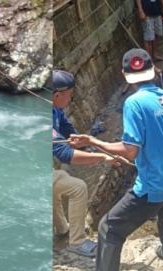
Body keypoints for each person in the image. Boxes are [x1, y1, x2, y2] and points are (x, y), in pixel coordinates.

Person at [70, 48, 163, 271]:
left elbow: (130, 151)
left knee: (109, 228)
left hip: (156, 183)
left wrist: (93, 141)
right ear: (153, 71)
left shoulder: (134, 103)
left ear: (125, 75)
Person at [52, 70, 121, 257]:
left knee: (61, 178)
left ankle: (62, 229)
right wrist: (102, 157)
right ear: (57, 95)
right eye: (70, 94)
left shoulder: (55, 109)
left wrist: (85, 142)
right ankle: (77, 242)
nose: (71, 98)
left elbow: (68, 130)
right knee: (78, 187)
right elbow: (65, 154)